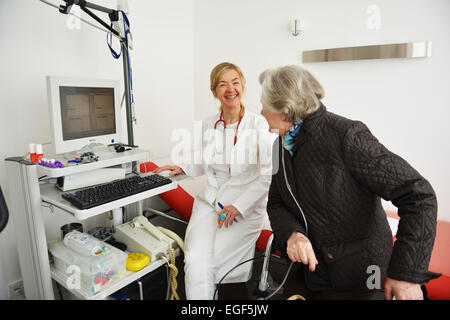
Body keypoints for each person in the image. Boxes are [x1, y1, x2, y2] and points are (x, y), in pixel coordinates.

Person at [258, 64, 439, 300]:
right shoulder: (278, 147)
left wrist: (406, 274)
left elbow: (419, 196)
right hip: (310, 271)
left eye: (264, 105)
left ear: (284, 108)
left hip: (360, 273)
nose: (261, 112)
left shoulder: (346, 136)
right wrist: (293, 234)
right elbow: (276, 202)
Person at [154, 62, 274, 299]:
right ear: (214, 91)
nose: (230, 89)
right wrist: (183, 168)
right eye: (223, 84)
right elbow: (207, 162)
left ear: (243, 86)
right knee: (195, 259)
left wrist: (239, 206)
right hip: (210, 201)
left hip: (244, 207)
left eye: (235, 82)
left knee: (221, 265)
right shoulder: (209, 124)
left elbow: (268, 175)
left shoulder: (258, 123)